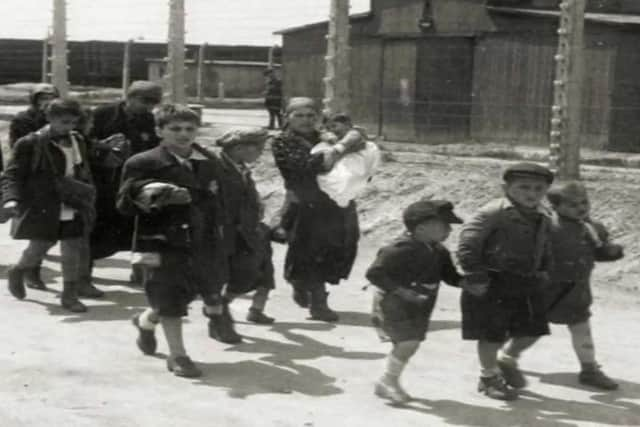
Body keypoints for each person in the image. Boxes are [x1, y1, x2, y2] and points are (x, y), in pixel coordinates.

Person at [120, 104, 226, 378]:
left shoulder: (209, 161)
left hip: (201, 239)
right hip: (160, 240)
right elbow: (123, 203)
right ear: (159, 130)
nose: (183, 134)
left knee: (189, 292)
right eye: (175, 129)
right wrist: (152, 193)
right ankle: (178, 355)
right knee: (168, 295)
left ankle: (145, 321)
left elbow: (217, 202)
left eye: (190, 129)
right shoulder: (143, 162)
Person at [496, 181, 623, 390]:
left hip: (577, 289)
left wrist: (611, 252)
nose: (581, 208)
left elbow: (599, 251)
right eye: (572, 205)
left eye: (584, 202)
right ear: (556, 206)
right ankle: (504, 357)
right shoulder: (547, 226)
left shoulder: (592, 227)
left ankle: (589, 370)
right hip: (546, 288)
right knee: (532, 329)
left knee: (581, 328)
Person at [457, 162, 554, 401]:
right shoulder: (494, 212)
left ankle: (507, 359)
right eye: (523, 187)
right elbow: (468, 243)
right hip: (494, 281)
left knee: (534, 328)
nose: (532, 194)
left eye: (538, 189)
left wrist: (544, 269)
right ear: (505, 187)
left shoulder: (544, 214)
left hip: (527, 281)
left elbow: (544, 245)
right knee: (492, 334)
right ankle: (488, 377)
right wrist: (476, 275)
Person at [270, 97, 361, 322]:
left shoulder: (327, 137)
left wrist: (342, 146)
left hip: (336, 200)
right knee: (309, 250)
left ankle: (302, 283)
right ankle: (318, 302)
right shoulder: (283, 141)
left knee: (339, 247)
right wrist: (339, 151)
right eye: (299, 115)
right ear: (287, 118)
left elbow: (361, 147)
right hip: (305, 202)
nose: (305, 120)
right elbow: (304, 167)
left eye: (311, 116)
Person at [3, 99, 95, 313]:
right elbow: (12, 174)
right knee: (40, 247)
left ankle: (69, 295)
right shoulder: (30, 143)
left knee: (72, 246)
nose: (69, 127)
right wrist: (11, 198)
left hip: (72, 200)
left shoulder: (77, 140)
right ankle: (18, 270)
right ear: (49, 118)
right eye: (64, 122)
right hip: (44, 202)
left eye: (73, 122)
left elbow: (81, 167)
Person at [367, 200, 463, 404]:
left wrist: (467, 282)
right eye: (444, 225)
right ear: (420, 228)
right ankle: (388, 381)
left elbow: (450, 276)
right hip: (393, 303)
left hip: (420, 305)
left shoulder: (439, 251)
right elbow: (375, 273)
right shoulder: (399, 249)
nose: (449, 230)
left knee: (407, 343)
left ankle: (387, 381)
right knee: (408, 343)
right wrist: (402, 292)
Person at [89, 80, 163, 284]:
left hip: (132, 181)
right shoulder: (103, 114)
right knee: (96, 227)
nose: (149, 106)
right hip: (103, 180)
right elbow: (83, 141)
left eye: (154, 102)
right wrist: (102, 154)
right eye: (145, 100)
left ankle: (138, 272)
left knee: (134, 227)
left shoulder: (149, 120)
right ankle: (81, 276)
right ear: (129, 97)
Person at [211, 128, 276, 342]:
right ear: (239, 149)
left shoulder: (240, 168)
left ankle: (219, 310)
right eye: (258, 148)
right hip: (222, 232)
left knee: (247, 273)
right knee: (203, 284)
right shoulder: (216, 168)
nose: (260, 153)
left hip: (244, 231)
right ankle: (150, 320)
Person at [5, 83, 60, 289]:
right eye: (41, 98)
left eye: (51, 97)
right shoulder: (23, 119)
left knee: (50, 233)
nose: (46, 101)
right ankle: (31, 272)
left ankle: (30, 268)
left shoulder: (60, 117)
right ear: (34, 100)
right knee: (40, 233)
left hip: (56, 176)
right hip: (32, 177)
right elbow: (18, 147)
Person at [312, 113, 380, 208]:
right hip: (347, 157)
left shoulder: (353, 132)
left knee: (348, 175)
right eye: (329, 128)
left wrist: (338, 148)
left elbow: (351, 142)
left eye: (334, 126)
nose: (332, 130)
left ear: (347, 125)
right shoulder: (333, 136)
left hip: (360, 158)